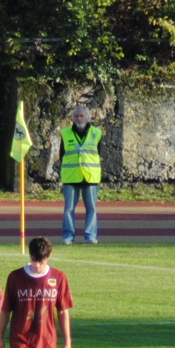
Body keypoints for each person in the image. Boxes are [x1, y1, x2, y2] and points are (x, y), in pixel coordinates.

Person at [59, 104, 102, 245]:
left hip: (90, 177)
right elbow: (62, 155)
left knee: (91, 209)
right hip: (71, 176)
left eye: (82, 115)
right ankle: (68, 236)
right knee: (69, 209)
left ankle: (90, 236)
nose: (79, 118)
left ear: (87, 117)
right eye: (77, 116)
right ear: (73, 118)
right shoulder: (65, 134)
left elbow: (100, 154)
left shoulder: (97, 133)